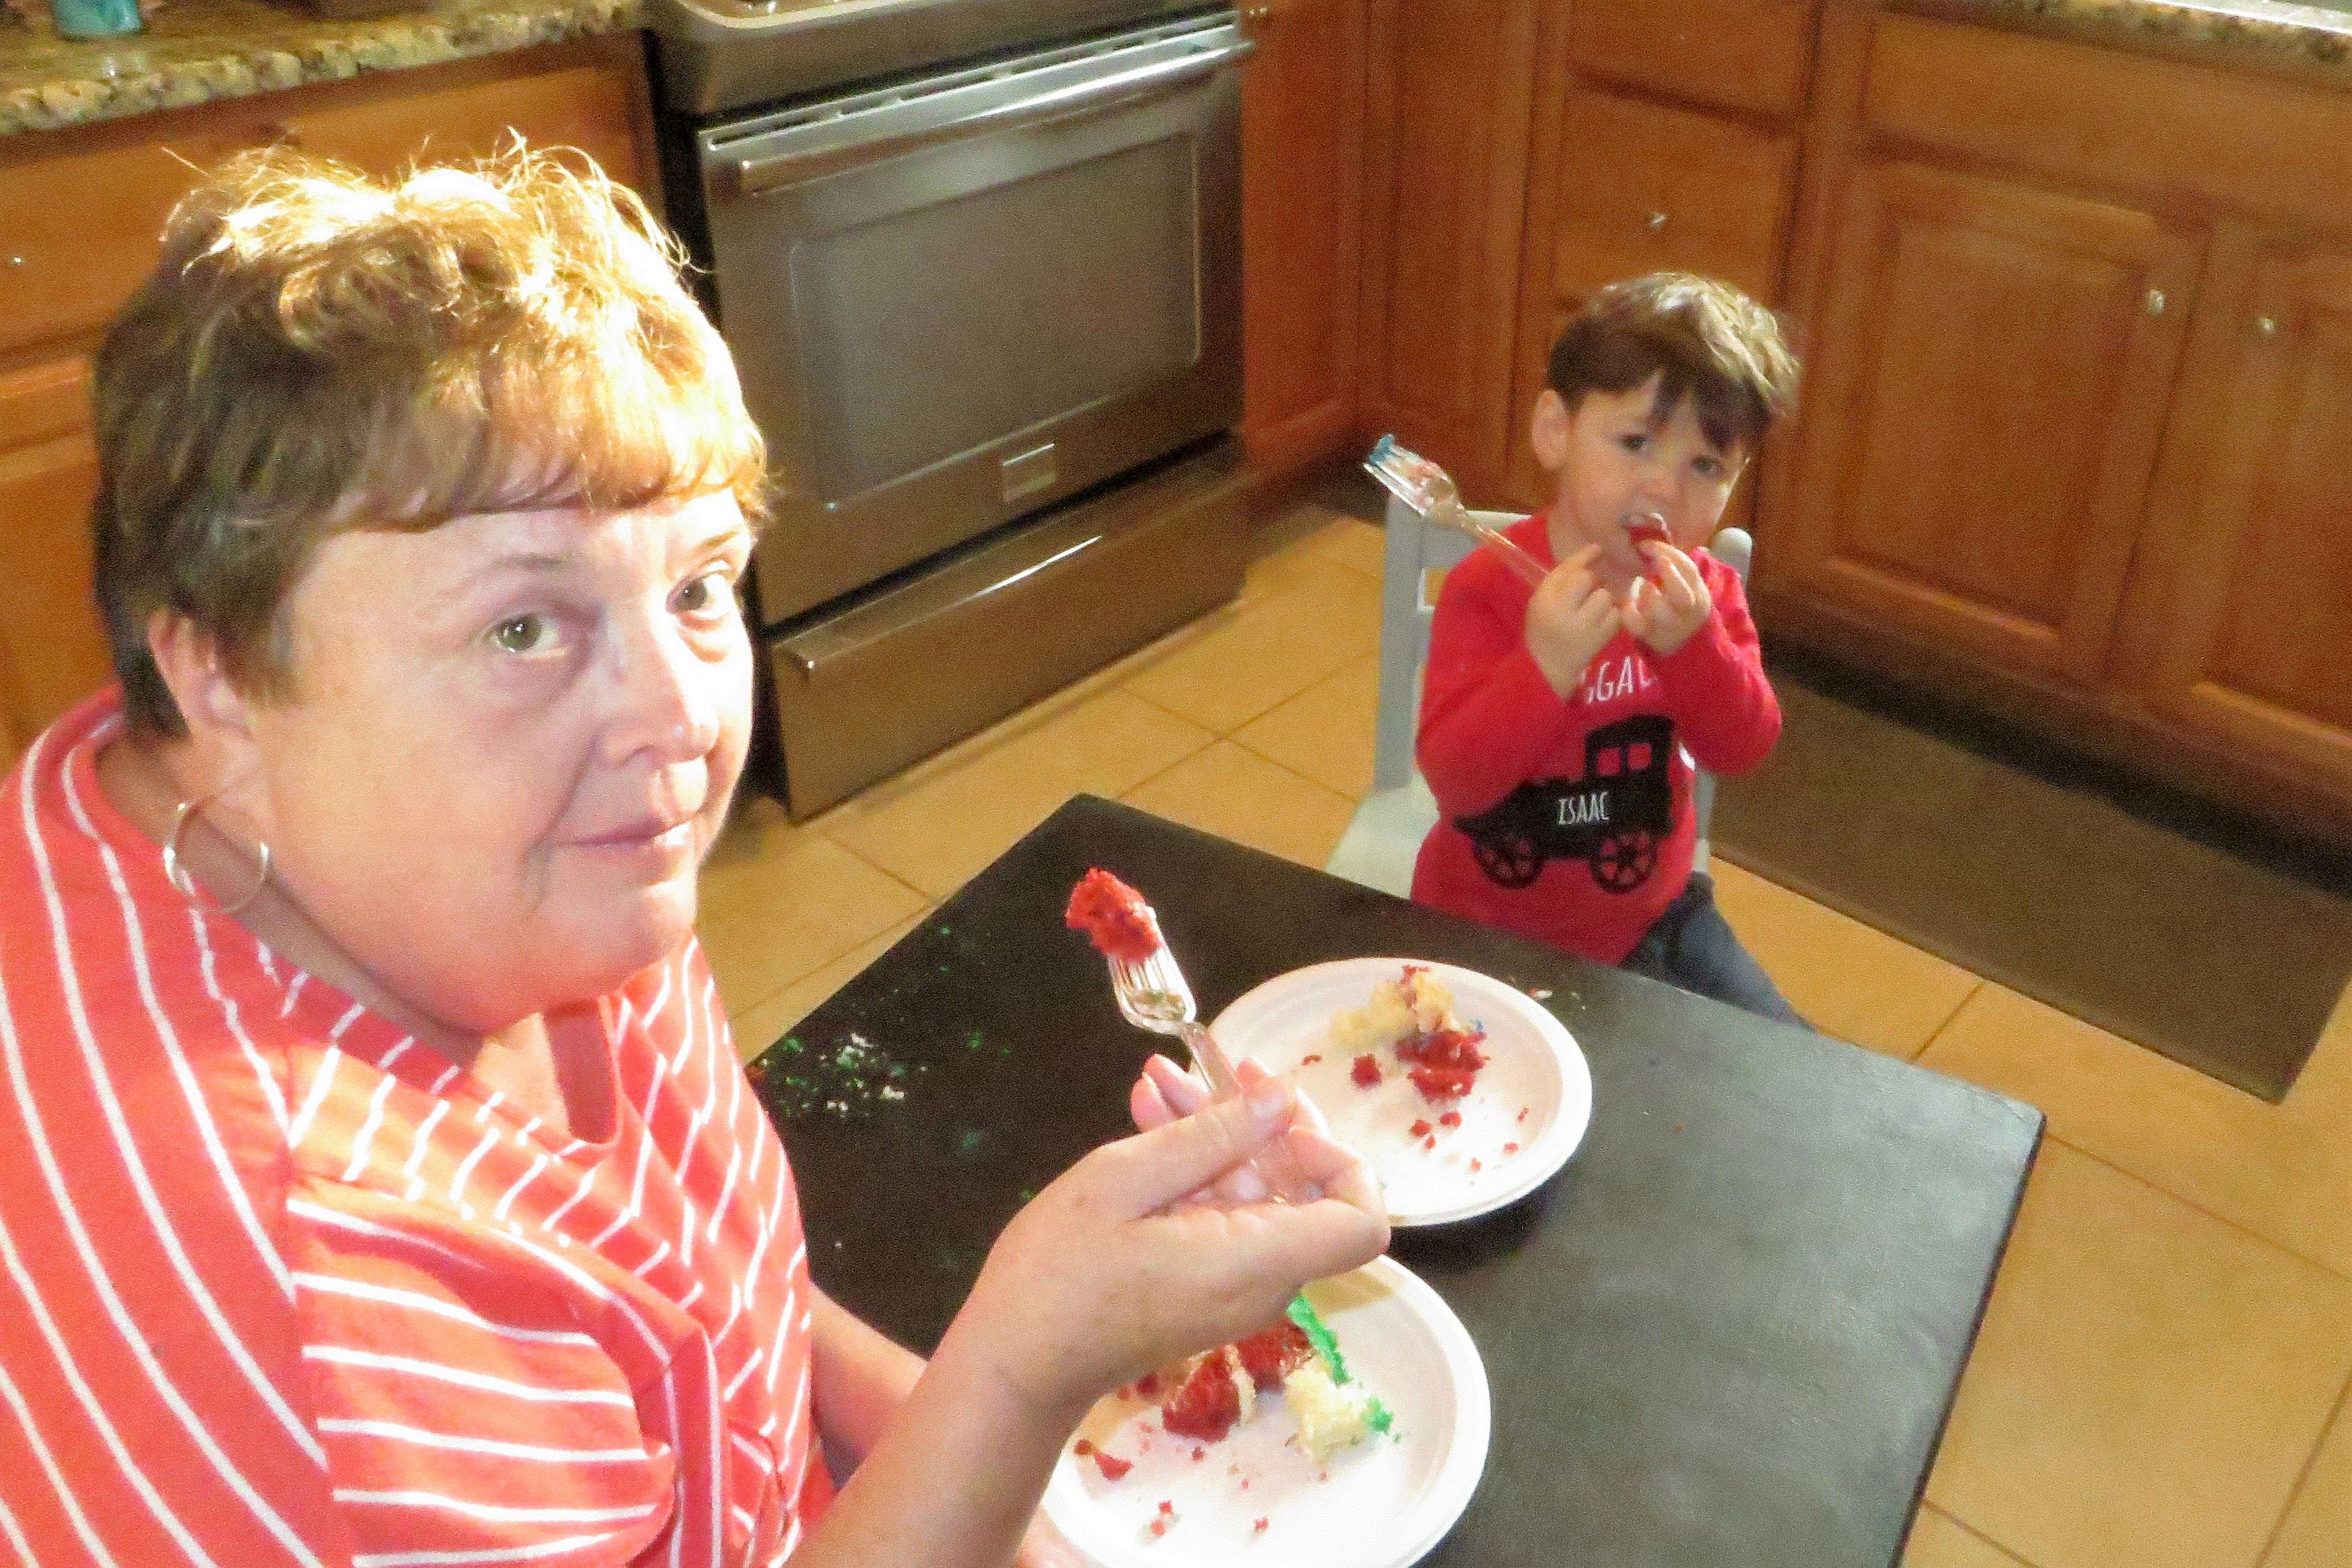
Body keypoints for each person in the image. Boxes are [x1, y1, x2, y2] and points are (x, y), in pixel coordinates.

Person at [0, 147, 1385, 1567]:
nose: (683, 716)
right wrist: (1024, 1366)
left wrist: (1002, 1481)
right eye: (522, 626)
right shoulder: (310, 1308)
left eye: (700, 582)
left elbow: (718, 1310)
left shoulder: (467, 844)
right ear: (220, 672)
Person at [1411, 272, 1806, 1025]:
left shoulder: (1705, 594)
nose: (1663, 487)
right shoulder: (1488, 586)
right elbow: (1457, 783)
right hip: (1483, 930)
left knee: (1789, 1067)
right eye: (1634, 443)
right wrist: (1543, 667)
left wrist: (1694, 648)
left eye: (1705, 466)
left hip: (1658, 916)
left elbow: (1742, 747)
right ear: (1555, 431)